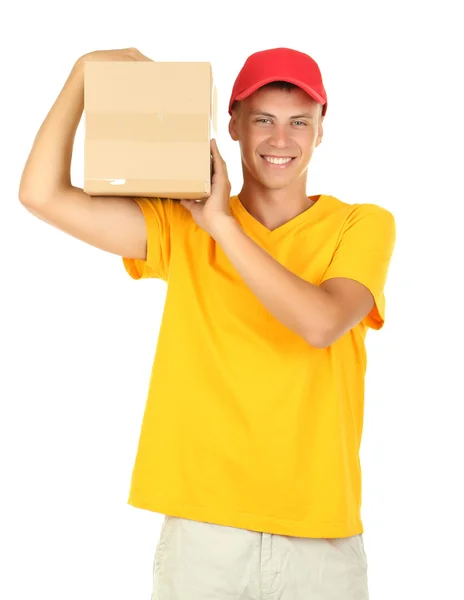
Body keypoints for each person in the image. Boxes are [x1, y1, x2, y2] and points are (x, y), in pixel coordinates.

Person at [19, 46, 396, 599]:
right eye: (263, 120)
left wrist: (223, 226)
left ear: (320, 131)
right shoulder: (182, 225)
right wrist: (83, 74)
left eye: (299, 122)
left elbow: (320, 324)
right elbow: (41, 194)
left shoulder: (360, 225)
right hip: (203, 532)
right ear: (234, 125)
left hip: (320, 537)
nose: (280, 139)